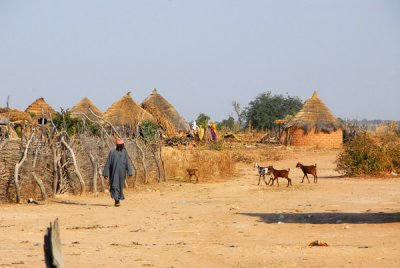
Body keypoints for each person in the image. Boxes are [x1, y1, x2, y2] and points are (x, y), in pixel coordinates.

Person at [103, 138, 133, 207]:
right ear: (116, 145)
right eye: (119, 145)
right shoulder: (112, 152)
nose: (120, 146)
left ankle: (118, 198)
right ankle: (116, 200)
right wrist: (106, 173)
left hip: (122, 172)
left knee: (120, 186)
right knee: (114, 185)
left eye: (121, 145)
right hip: (114, 172)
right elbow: (108, 163)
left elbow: (127, 162)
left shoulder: (124, 152)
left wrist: (129, 172)